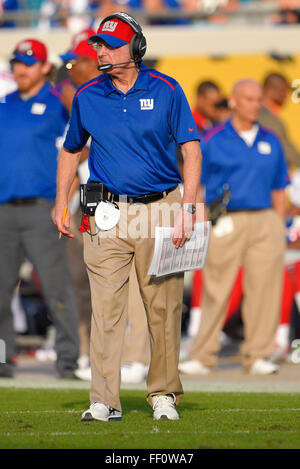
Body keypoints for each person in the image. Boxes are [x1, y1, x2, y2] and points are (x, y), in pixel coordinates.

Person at [53, 11, 201, 421]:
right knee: (105, 310)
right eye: (97, 44)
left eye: (110, 45)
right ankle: (103, 399)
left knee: (164, 308)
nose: (99, 51)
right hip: (104, 211)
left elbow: (191, 149)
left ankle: (163, 394)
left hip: (162, 207)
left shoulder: (168, 90)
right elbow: (71, 148)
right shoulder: (86, 95)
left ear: (135, 48)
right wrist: (61, 199)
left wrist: (188, 207)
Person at [179, 78, 289, 376]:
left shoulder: (271, 139)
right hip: (225, 218)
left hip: (265, 218)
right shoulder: (214, 138)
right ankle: (203, 355)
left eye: (258, 99)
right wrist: (201, 220)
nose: (256, 105)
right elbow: (198, 183)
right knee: (216, 289)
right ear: (235, 101)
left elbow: (280, 187)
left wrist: (277, 225)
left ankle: (258, 355)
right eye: (250, 99)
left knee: (264, 289)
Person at [0, 38, 80, 379]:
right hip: (4, 209)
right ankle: (3, 358)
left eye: (29, 63)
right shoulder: (4, 105)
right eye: (17, 62)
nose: (21, 68)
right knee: (1, 290)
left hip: (42, 208)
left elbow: (78, 149)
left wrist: (65, 203)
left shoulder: (58, 102)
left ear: (45, 67)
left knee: (56, 287)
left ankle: (67, 361)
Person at [259, 72, 300, 167]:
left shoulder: (259, 113)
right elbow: (284, 148)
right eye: (283, 91)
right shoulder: (267, 118)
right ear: (269, 90)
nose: (286, 96)